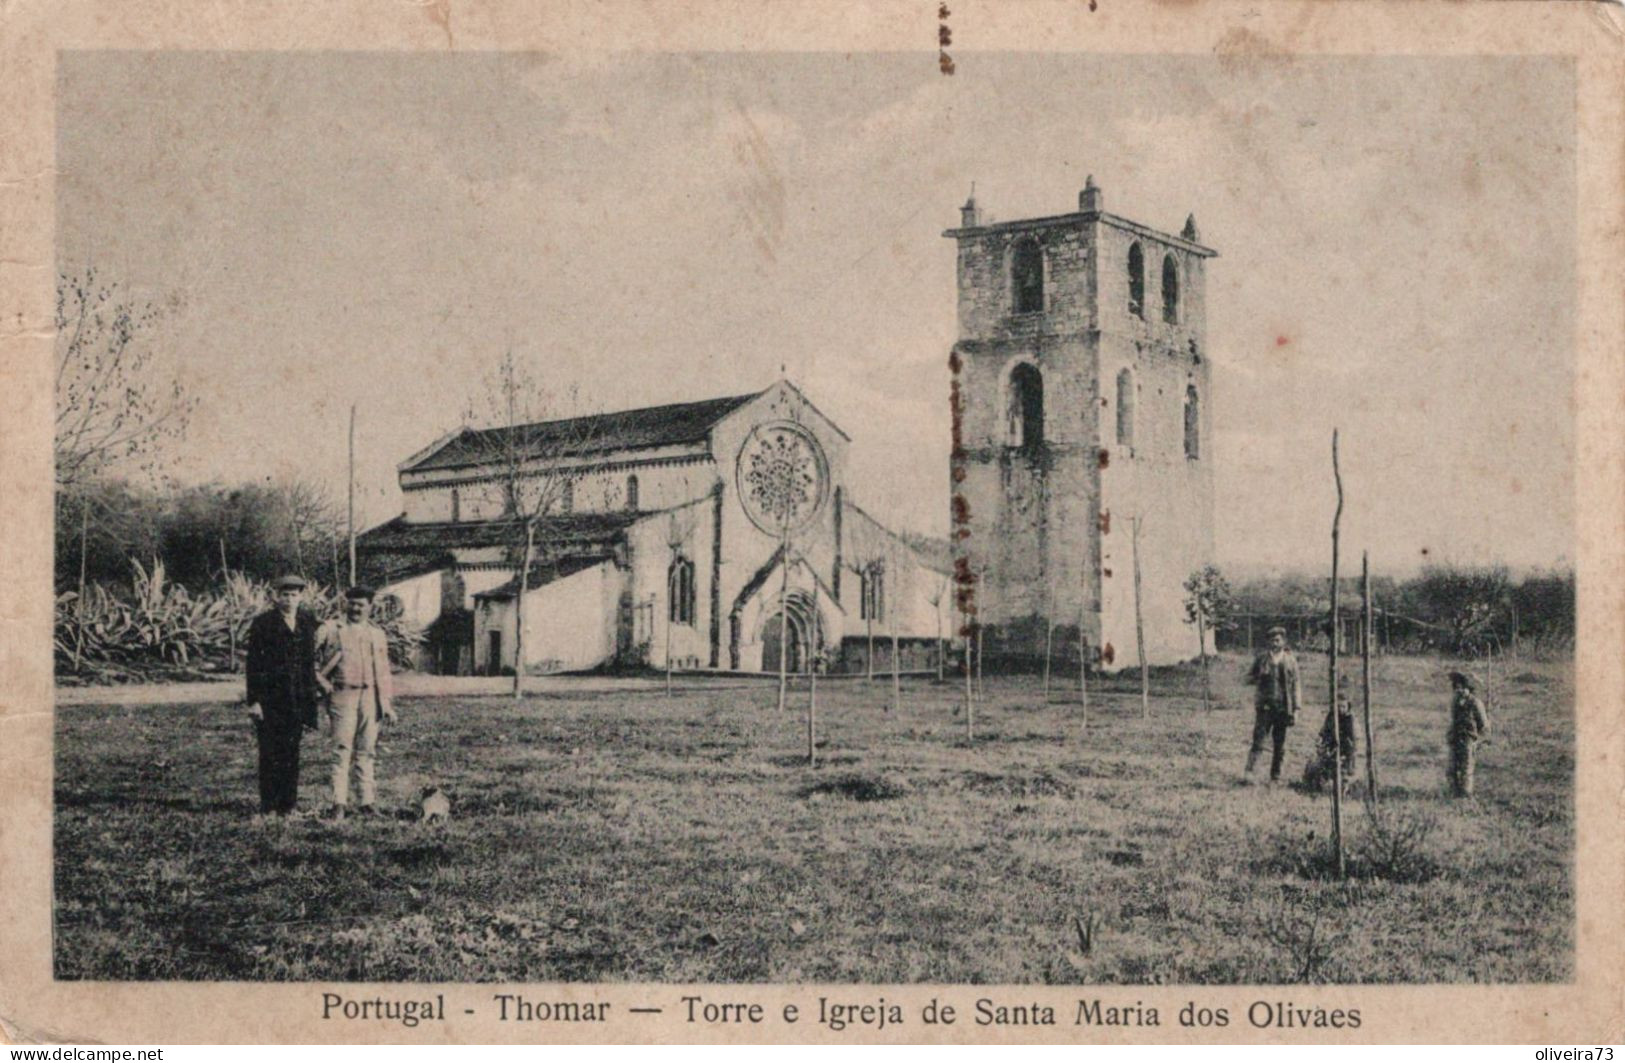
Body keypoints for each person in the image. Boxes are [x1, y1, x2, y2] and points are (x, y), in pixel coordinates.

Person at [316, 585, 397, 820]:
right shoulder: (330, 629)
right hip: (343, 695)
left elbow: (383, 672)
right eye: (352, 603)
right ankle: (338, 804)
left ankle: (366, 802)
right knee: (341, 750)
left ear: (370, 607)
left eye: (361, 604)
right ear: (345, 604)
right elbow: (306, 659)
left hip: (371, 698)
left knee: (367, 751)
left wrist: (387, 704)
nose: (356, 608)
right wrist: (321, 682)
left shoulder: (377, 634)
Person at [244, 574, 322, 817]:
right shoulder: (263, 623)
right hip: (270, 699)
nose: (289, 599)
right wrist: (254, 701)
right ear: (276, 597)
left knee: (292, 753)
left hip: (297, 698)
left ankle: (288, 806)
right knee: (270, 752)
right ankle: (269, 806)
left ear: (301, 596)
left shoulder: (308, 621)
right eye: (285, 595)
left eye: (294, 594)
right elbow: (253, 664)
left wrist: (312, 698)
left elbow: (310, 662)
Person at [1245, 625, 1301, 783]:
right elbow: (1249, 678)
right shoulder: (1262, 659)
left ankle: (1275, 776)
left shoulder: (1290, 661)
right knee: (1258, 740)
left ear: (1283, 641)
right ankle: (1250, 773)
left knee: (1279, 744)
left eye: (1277, 640)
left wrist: (1296, 709)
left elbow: (1296, 685)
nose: (1274, 643)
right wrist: (1258, 677)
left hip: (1283, 708)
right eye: (1272, 640)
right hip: (1265, 708)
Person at [1303, 686, 1357, 795]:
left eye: (1343, 706)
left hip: (1344, 752)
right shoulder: (1331, 717)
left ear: (1348, 707)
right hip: (1329, 748)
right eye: (1338, 706)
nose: (1340, 709)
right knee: (1315, 766)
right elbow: (1324, 731)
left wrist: (1347, 753)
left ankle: (1344, 789)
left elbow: (1353, 740)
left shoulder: (1350, 720)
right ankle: (1314, 787)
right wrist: (1321, 741)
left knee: (1343, 773)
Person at [1447, 670, 1491, 797]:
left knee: (1466, 768)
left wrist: (1481, 740)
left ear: (1468, 688)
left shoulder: (1476, 703)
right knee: (1451, 768)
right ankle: (1453, 792)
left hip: (1468, 739)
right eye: (1456, 688)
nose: (1459, 691)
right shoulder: (1455, 701)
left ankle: (1465, 795)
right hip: (1455, 737)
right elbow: (1453, 719)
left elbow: (1484, 725)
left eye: (1462, 688)